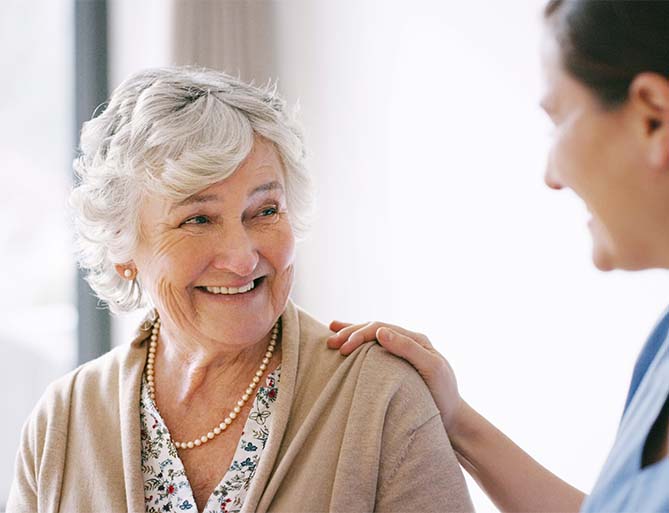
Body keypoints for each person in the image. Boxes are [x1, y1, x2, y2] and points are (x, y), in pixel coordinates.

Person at [6, 68, 473, 513]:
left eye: (265, 210)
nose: (242, 257)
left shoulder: (380, 397)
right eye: (198, 219)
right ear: (122, 249)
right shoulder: (61, 423)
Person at [328, 1, 669, 512]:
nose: (552, 174)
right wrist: (455, 418)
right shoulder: (661, 350)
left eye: (558, 120)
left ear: (652, 118)